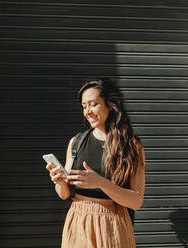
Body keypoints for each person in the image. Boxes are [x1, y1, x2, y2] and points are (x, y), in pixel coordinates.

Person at [45, 79, 146, 248]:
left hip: (113, 225)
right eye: (84, 106)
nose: (87, 112)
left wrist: (101, 183)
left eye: (93, 104)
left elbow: (136, 201)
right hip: (79, 222)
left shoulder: (131, 146)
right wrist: (59, 181)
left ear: (110, 105)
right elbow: (64, 194)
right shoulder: (76, 142)